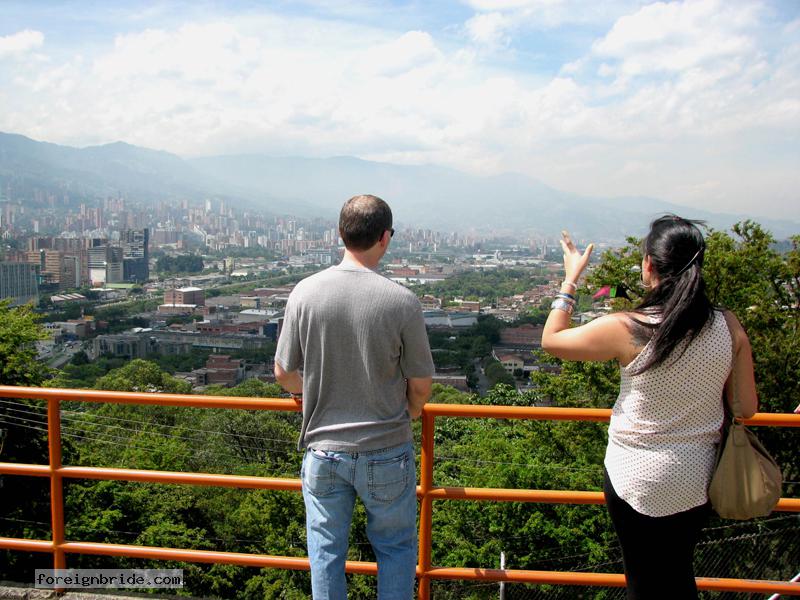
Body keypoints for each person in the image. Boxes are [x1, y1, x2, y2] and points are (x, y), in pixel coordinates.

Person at [541, 216, 758, 600]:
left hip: (634, 477)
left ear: (649, 266)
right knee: (677, 574)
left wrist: (571, 280)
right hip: (699, 477)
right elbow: (747, 406)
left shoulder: (630, 326)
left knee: (643, 580)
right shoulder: (727, 325)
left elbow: (552, 340)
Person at [274, 194, 435, 600]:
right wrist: (411, 411)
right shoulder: (401, 301)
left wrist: (307, 393)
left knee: (325, 551)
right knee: (395, 548)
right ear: (385, 237)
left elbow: (283, 372)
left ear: (340, 234)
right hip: (386, 447)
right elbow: (420, 384)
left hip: (323, 449)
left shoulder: (305, 293)